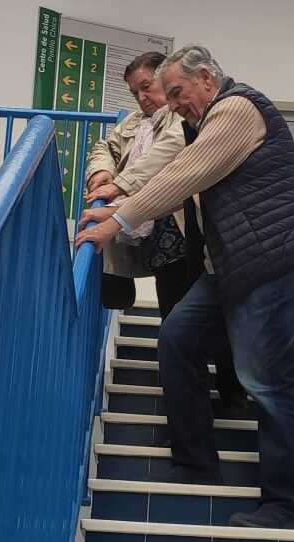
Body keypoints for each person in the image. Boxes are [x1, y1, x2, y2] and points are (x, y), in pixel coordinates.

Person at [76, 45, 294, 530]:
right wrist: (117, 206)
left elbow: (184, 173)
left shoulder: (237, 109)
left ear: (208, 79)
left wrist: (115, 221)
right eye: (167, 96)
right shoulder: (199, 120)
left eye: (177, 93)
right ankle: (196, 463)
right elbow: (175, 174)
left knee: (266, 381)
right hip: (234, 266)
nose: (172, 105)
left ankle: (286, 502)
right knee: (176, 339)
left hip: (274, 261)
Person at [83, 52, 247, 419]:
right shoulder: (133, 124)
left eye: (147, 87)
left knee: (213, 315)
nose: (142, 98)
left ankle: (231, 395)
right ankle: (188, 401)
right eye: (135, 92)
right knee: (173, 316)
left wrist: (119, 186)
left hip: (192, 232)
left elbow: (167, 155)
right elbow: (104, 147)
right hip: (158, 239)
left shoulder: (184, 118)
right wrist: (101, 173)